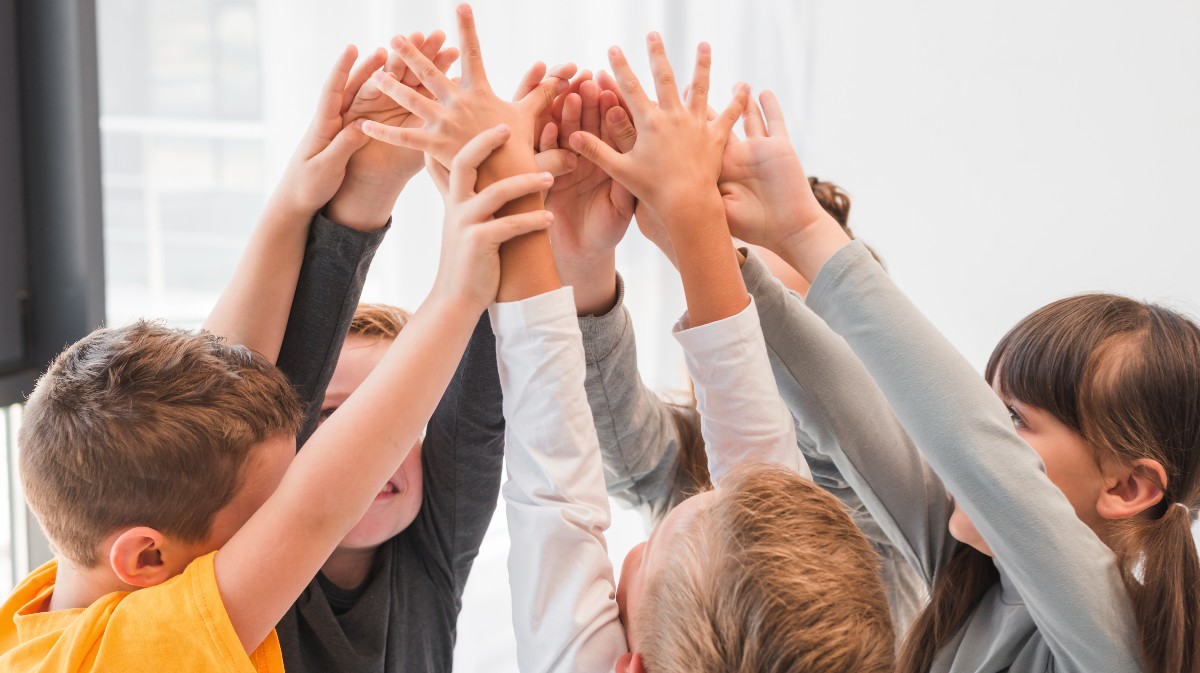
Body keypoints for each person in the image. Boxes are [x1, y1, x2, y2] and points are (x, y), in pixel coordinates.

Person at [0, 25, 556, 668]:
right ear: (146, 556)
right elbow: (314, 511)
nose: (284, 514)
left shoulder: (49, 613)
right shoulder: (135, 654)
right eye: (264, 515)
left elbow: (233, 369)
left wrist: (314, 195)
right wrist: (457, 293)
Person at [714, 89, 1200, 672]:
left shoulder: (1119, 643)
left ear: (1126, 488)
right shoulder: (967, 577)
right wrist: (704, 238)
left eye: (1013, 419)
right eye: (989, 405)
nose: (981, 429)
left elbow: (974, 448)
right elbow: (847, 410)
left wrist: (803, 229)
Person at [483, 34, 893, 673]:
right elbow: (739, 468)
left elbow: (762, 469)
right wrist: (598, 253)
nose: (759, 347)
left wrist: (691, 224)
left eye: (781, 325)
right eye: (738, 294)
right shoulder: (744, 543)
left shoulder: (875, 507)